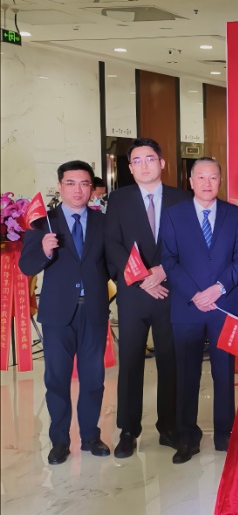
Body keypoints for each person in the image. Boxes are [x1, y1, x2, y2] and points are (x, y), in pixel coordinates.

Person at [19, 160, 111, 465]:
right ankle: (59, 441)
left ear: (92, 188)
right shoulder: (43, 223)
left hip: (93, 312)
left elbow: (113, 264)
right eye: (71, 183)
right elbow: (26, 266)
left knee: (93, 379)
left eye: (84, 183)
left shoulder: (103, 223)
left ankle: (91, 437)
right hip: (58, 315)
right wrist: (44, 251)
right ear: (60, 186)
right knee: (57, 380)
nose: (78, 190)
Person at [104, 138, 189, 458]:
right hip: (134, 292)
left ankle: (169, 426)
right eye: (137, 161)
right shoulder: (119, 199)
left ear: (162, 163)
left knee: (171, 359)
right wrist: (141, 278)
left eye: (150, 159)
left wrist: (163, 271)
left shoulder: (182, 198)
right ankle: (128, 429)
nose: (144, 165)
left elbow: (190, 243)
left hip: (170, 290)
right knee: (130, 361)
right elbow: (112, 243)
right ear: (130, 168)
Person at [160, 157, 238, 464]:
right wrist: (196, 293)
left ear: (220, 181)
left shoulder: (235, 214)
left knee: (225, 372)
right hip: (188, 305)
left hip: (225, 305)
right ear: (191, 181)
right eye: (201, 177)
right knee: (187, 373)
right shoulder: (174, 215)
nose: (207, 183)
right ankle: (187, 437)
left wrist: (219, 288)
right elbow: (169, 260)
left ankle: (226, 435)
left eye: (213, 177)